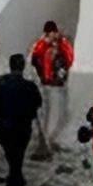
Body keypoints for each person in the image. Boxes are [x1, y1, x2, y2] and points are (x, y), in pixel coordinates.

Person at [0, 53, 43, 186]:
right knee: (16, 160)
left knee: (12, 157)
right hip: (21, 130)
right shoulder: (29, 87)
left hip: (3, 129)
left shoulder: (0, 83)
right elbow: (37, 103)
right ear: (22, 67)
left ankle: (18, 179)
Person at [29, 20, 75, 160]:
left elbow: (69, 58)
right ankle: (47, 141)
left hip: (56, 83)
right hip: (49, 84)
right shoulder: (42, 46)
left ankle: (48, 139)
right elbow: (34, 60)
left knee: (56, 113)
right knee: (51, 113)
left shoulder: (60, 44)